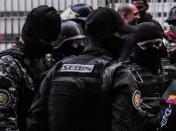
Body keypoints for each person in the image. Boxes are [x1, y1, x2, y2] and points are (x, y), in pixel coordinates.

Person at [27, 7, 140, 131]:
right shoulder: (117, 74)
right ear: (109, 38)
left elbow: (35, 120)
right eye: (120, 34)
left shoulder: (58, 68)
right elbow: (122, 125)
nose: (123, 39)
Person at [0, 5, 61, 131]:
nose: (49, 46)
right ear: (32, 34)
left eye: (52, 41)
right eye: (46, 41)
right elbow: (5, 123)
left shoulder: (46, 61)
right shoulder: (7, 66)